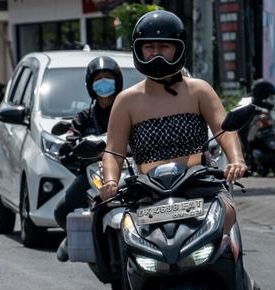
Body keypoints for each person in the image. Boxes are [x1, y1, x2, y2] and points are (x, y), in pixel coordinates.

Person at [100, 10, 247, 233]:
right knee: (125, 233)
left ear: (178, 49)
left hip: (200, 190)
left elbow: (224, 128)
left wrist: (236, 160)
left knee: (225, 217)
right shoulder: (126, 101)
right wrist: (110, 181)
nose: (156, 54)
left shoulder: (199, 90)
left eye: (164, 47)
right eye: (149, 47)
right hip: (149, 196)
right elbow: (113, 151)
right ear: (138, 50)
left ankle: (234, 266)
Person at [55, 56, 123, 261]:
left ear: (117, 81)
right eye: (99, 78)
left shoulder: (126, 108)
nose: (104, 82)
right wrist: (73, 143)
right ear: (90, 85)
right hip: (92, 172)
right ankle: (72, 235)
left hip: (126, 169)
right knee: (61, 211)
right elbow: (71, 137)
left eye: (108, 77)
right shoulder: (84, 117)